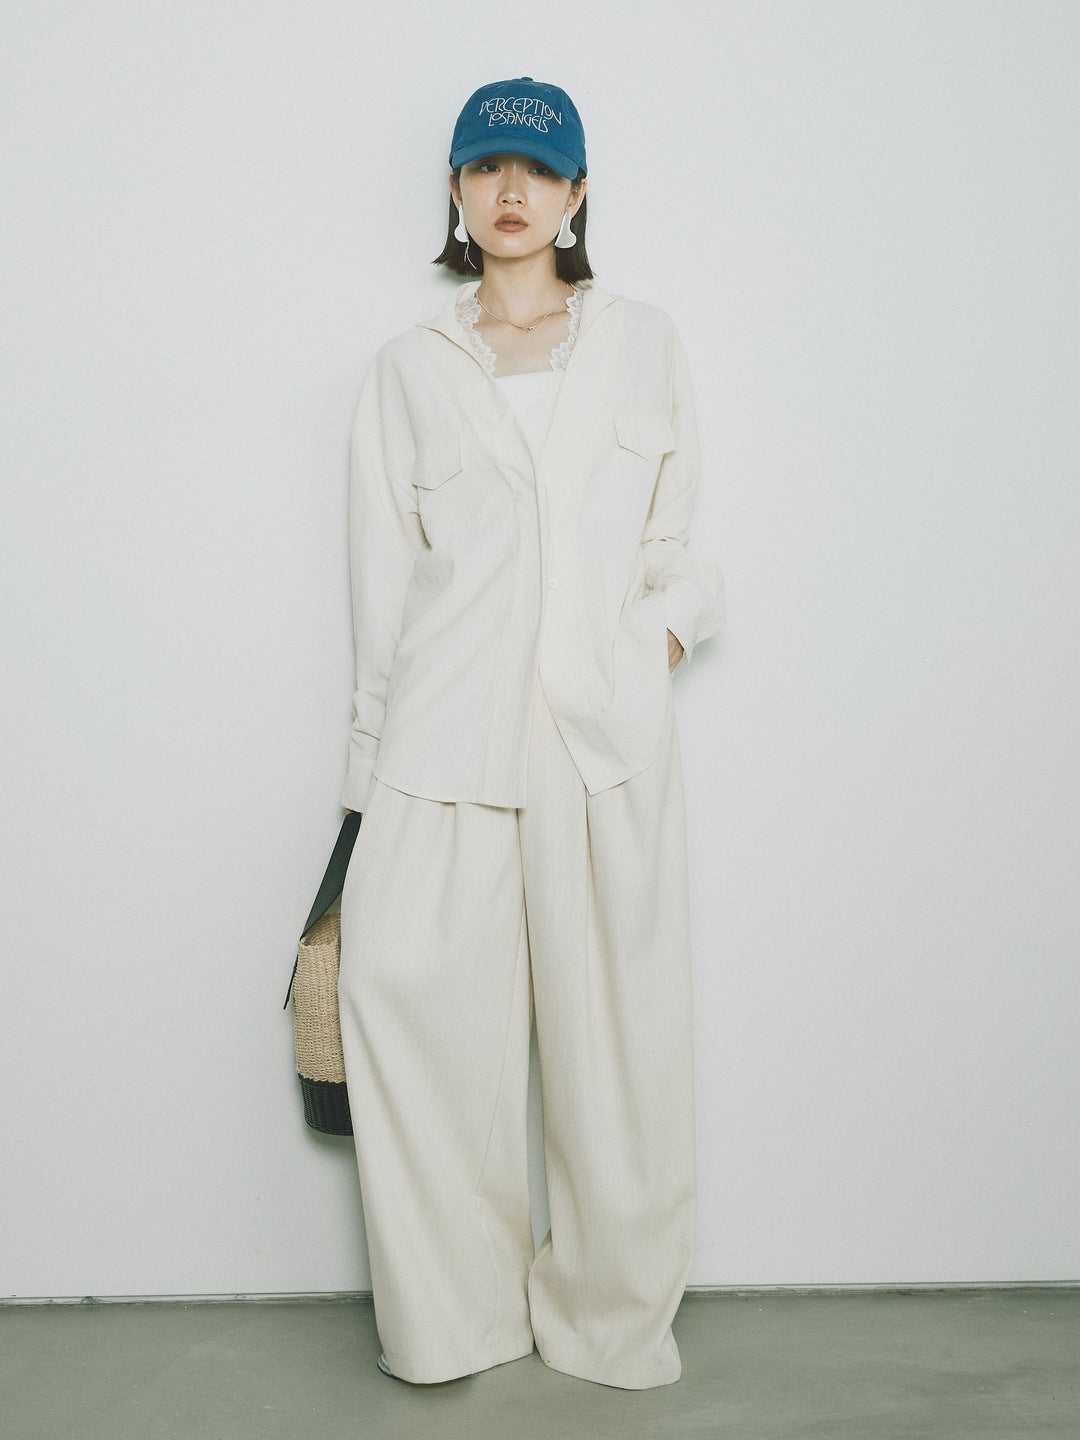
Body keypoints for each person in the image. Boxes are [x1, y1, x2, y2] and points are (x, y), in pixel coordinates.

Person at [335, 76, 724, 1391]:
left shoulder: (642, 343)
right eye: (487, 166)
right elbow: (382, 596)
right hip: (441, 744)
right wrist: (360, 794)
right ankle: (455, 1320)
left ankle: (611, 1324)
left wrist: (655, 644)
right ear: (454, 189)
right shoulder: (407, 371)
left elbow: (678, 546)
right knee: (408, 1011)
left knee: (619, 1055)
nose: (513, 191)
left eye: (540, 169)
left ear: (577, 192)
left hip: (598, 744)